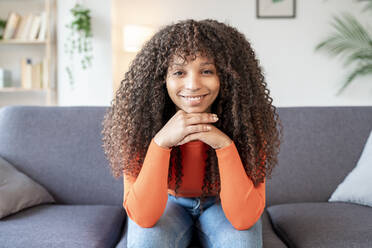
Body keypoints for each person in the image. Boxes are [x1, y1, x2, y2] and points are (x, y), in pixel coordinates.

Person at [101, 19, 283, 248]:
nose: (193, 84)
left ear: (227, 77)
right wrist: (161, 143)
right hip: (169, 203)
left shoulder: (249, 125)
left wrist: (224, 145)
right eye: (179, 72)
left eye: (207, 71)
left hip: (220, 202)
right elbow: (143, 217)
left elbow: (244, 218)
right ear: (161, 79)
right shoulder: (138, 125)